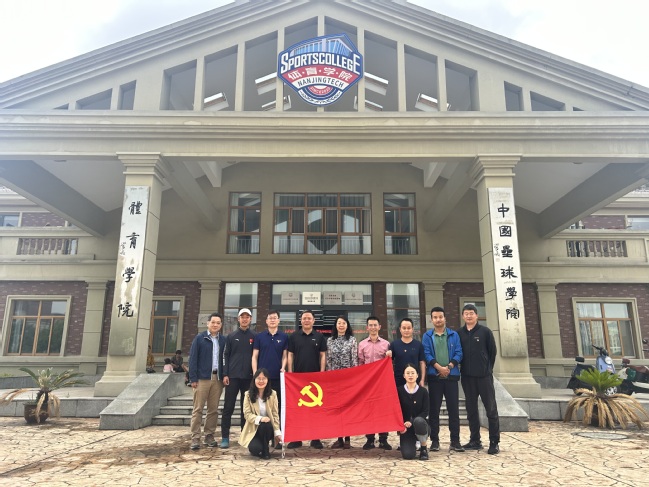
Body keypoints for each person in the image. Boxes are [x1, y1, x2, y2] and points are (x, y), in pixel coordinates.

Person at [457, 303, 500, 455]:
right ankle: (475, 440)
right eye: (466, 313)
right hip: (467, 377)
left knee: (491, 409)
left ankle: (494, 442)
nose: (469, 316)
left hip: (484, 377)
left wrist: (487, 369)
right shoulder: (459, 333)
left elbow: (492, 352)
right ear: (463, 316)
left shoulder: (485, 332)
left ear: (477, 315)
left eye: (471, 313)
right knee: (471, 411)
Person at [422, 306, 464, 453]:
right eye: (435, 317)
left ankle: (455, 441)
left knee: (454, 410)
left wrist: (449, 366)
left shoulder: (453, 335)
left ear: (445, 318)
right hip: (435, 377)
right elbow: (426, 354)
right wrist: (439, 368)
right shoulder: (427, 336)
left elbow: (459, 352)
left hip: (451, 376)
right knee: (434, 410)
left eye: (440, 317)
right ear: (431, 320)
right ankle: (435, 441)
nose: (438, 319)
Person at [286, 309, 327, 449]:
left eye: (309, 318)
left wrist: (322, 373)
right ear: (301, 320)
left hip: (315, 380)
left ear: (313, 321)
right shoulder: (294, 336)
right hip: (297, 379)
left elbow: (323, 355)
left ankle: (316, 438)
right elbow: (290, 355)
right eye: (304, 318)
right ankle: (296, 438)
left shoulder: (320, 337)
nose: (306, 320)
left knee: (315, 411)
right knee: (298, 410)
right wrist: (290, 373)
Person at [188, 312, 226, 450]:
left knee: (213, 409)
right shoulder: (200, 338)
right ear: (208, 323)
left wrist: (225, 375)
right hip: (202, 379)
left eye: (218, 323)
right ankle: (195, 437)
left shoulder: (223, 340)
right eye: (213, 322)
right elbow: (193, 358)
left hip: (217, 379)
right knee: (198, 409)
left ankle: (209, 435)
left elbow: (225, 359)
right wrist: (193, 378)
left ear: (221, 325)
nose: (215, 325)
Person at [220, 308, 256, 449]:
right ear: (238, 319)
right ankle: (225, 437)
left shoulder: (255, 336)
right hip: (232, 377)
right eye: (242, 317)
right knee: (228, 407)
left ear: (250, 319)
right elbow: (225, 356)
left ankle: (244, 436)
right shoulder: (231, 336)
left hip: (248, 378)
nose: (245, 319)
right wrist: (225, 374)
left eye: (247, 317)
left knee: (245, 409)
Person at [357, 315, 393, 451]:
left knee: (382, 410)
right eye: (370, 325)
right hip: (367, 383)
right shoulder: (362, 344)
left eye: (375, 325)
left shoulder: (386, 344)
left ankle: (383, 439)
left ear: (379, 327)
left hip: (382, 383)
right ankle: (370, 439)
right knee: (369, 410)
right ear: (367, 328)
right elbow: (360, 363)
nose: (373, 327)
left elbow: (389, 364)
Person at [326, 316, 358, 449]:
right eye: (339, 323)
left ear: (347, 325)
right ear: (336, 325)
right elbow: (328, 360)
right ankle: (339, 438)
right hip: (335, 379)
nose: (341, 325)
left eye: (343, 323)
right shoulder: (330, 341)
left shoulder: (352, 340)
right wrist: (329, 376)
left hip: (348, 379)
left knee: (348, 408)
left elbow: (354, 359)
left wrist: (354, 377)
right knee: (338, 408)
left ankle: (348, 439)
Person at [238, 368, 282, 459]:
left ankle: (266, 450)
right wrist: (260, 418)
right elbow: (247, 414)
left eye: (264, 378)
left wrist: (277, 432)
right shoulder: (248, 394)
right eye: (259, 378)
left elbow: (275, 414)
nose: (261, 381)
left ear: (267, 380)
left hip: (268, 428)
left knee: (265, 424)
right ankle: (261, 445)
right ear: (254, 380)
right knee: (255, 449)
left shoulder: (273, 394)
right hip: (254, 428)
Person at [252, 310, 288, 409]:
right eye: (270, 318)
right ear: (266, 321)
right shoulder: (259, 336)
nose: (272, 320)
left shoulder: (284, 337)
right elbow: (254, 356)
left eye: (275, 318)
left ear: (278, 320)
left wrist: (283, 367)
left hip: (277, 376)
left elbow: (285, 356)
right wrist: (255, 373)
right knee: (262, 403)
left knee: (277, 403)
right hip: (262, 377)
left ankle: (276, 420)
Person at [397, 364, 430, 461]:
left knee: (418, 421)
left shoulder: (423, 391)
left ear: (417, 375)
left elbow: (425, 411)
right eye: (408, 373)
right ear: (404, 376)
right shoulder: (399, 391)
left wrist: (411, 421)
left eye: (412, 373)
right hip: (405, 428)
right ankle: (411, 443)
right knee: (408, 455)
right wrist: (401, 424)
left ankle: (423, 448)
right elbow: (396, 410)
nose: (410, 375)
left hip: (421, 425)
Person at [390, 318, 426, 388]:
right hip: (398, 380)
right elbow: (389, 362)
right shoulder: (394, 344)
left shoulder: (418, 345)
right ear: (400, 329)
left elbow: (422, 363)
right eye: (404, 328)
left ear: (412, 329)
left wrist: (422, 380)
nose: (406, 330)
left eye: (409, 328)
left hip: (414, 380)